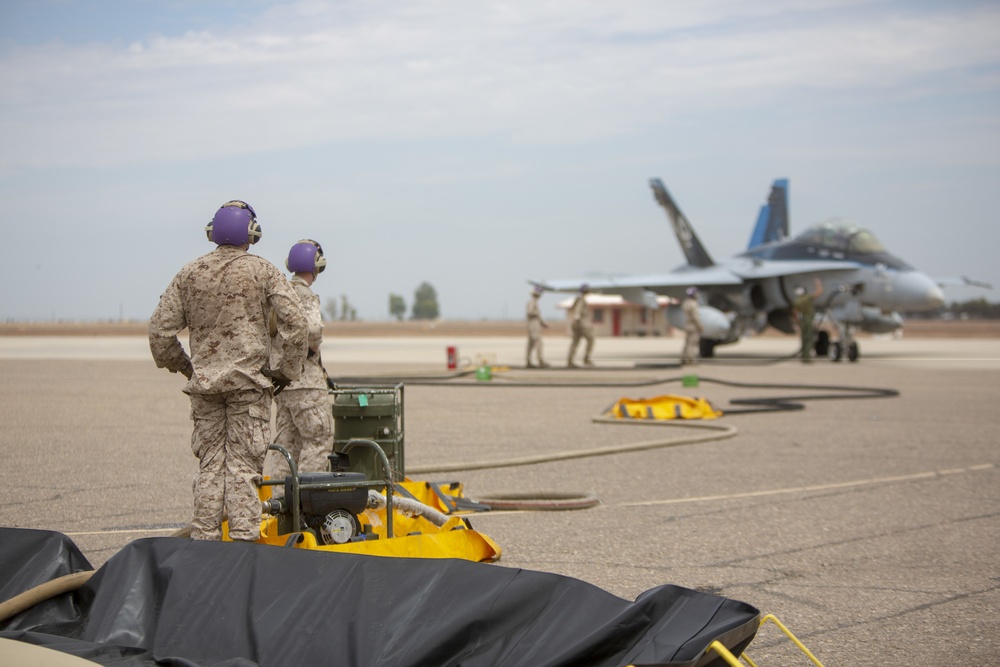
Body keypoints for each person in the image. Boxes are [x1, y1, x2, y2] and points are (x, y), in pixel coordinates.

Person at [149, 200, 307, 542]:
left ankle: (203, 546)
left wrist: (188, 367)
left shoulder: (189, 273)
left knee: (209, 469)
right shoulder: (263, 271)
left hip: (205, 389)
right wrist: (286, 371)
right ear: (250, 234)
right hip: (249, 389)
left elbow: (159, 333)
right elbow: (297, 323)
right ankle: (243, 550)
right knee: (243, 470)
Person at [263, 240, 334, 494]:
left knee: (286, 445)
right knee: (318, 440)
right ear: (316, 266)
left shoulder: (280, 293)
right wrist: (311, 347)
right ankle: (308, 502)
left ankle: (281, 505)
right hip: (307, 385)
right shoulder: (304, 294)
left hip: (283, 384)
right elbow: (314, 332)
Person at [792, 278, 824, 363]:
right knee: (809, 339)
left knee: (804, 339)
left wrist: (797, 321)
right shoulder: (807, 298)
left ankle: (804, 357)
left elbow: (795, 312)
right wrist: (818, 284)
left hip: (802, 320)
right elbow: (819, 292)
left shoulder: (797, 301)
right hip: (808, 319)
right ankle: (807, 358)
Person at [567, 283, 595, 367]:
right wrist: (577, 319)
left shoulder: (577, 299)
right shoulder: (581, 300)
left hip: (577, 324)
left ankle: (570, 360)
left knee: (575, 342)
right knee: (591, 339)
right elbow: (577, 311)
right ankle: (586, 358)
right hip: (581, 325)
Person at [526, 286, 550, 368]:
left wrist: (543, 324)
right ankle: (540, 361)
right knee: (538, 343)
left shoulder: (534, 302)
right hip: (534, 326)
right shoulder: (533, 302)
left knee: (531, 344)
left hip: (533, 325)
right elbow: (530, 312)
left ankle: (528, 361)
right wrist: (536, 315)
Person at [681, 286, 703, 365]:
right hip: (693, 326)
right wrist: (700, 326)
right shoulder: (694, 304)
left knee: (687, 343)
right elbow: (695, 317)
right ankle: (691, 360)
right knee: (692, 343)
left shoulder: (686, 302)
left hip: (687, 325)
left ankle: (684, 358)